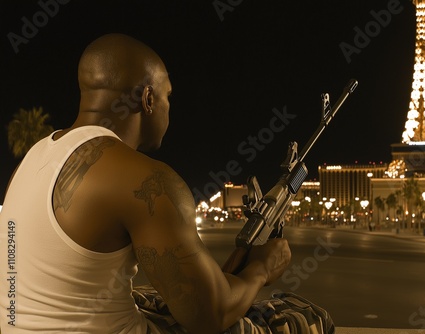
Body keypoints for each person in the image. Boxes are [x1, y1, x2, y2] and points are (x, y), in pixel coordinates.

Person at [0, 33, 334, 333]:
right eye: (167, 96)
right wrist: (261, 269)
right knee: (300, 316)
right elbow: (211, 317)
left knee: (149, 298)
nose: (169, 108)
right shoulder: (147, 180)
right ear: (147, 99)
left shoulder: (34, 157)